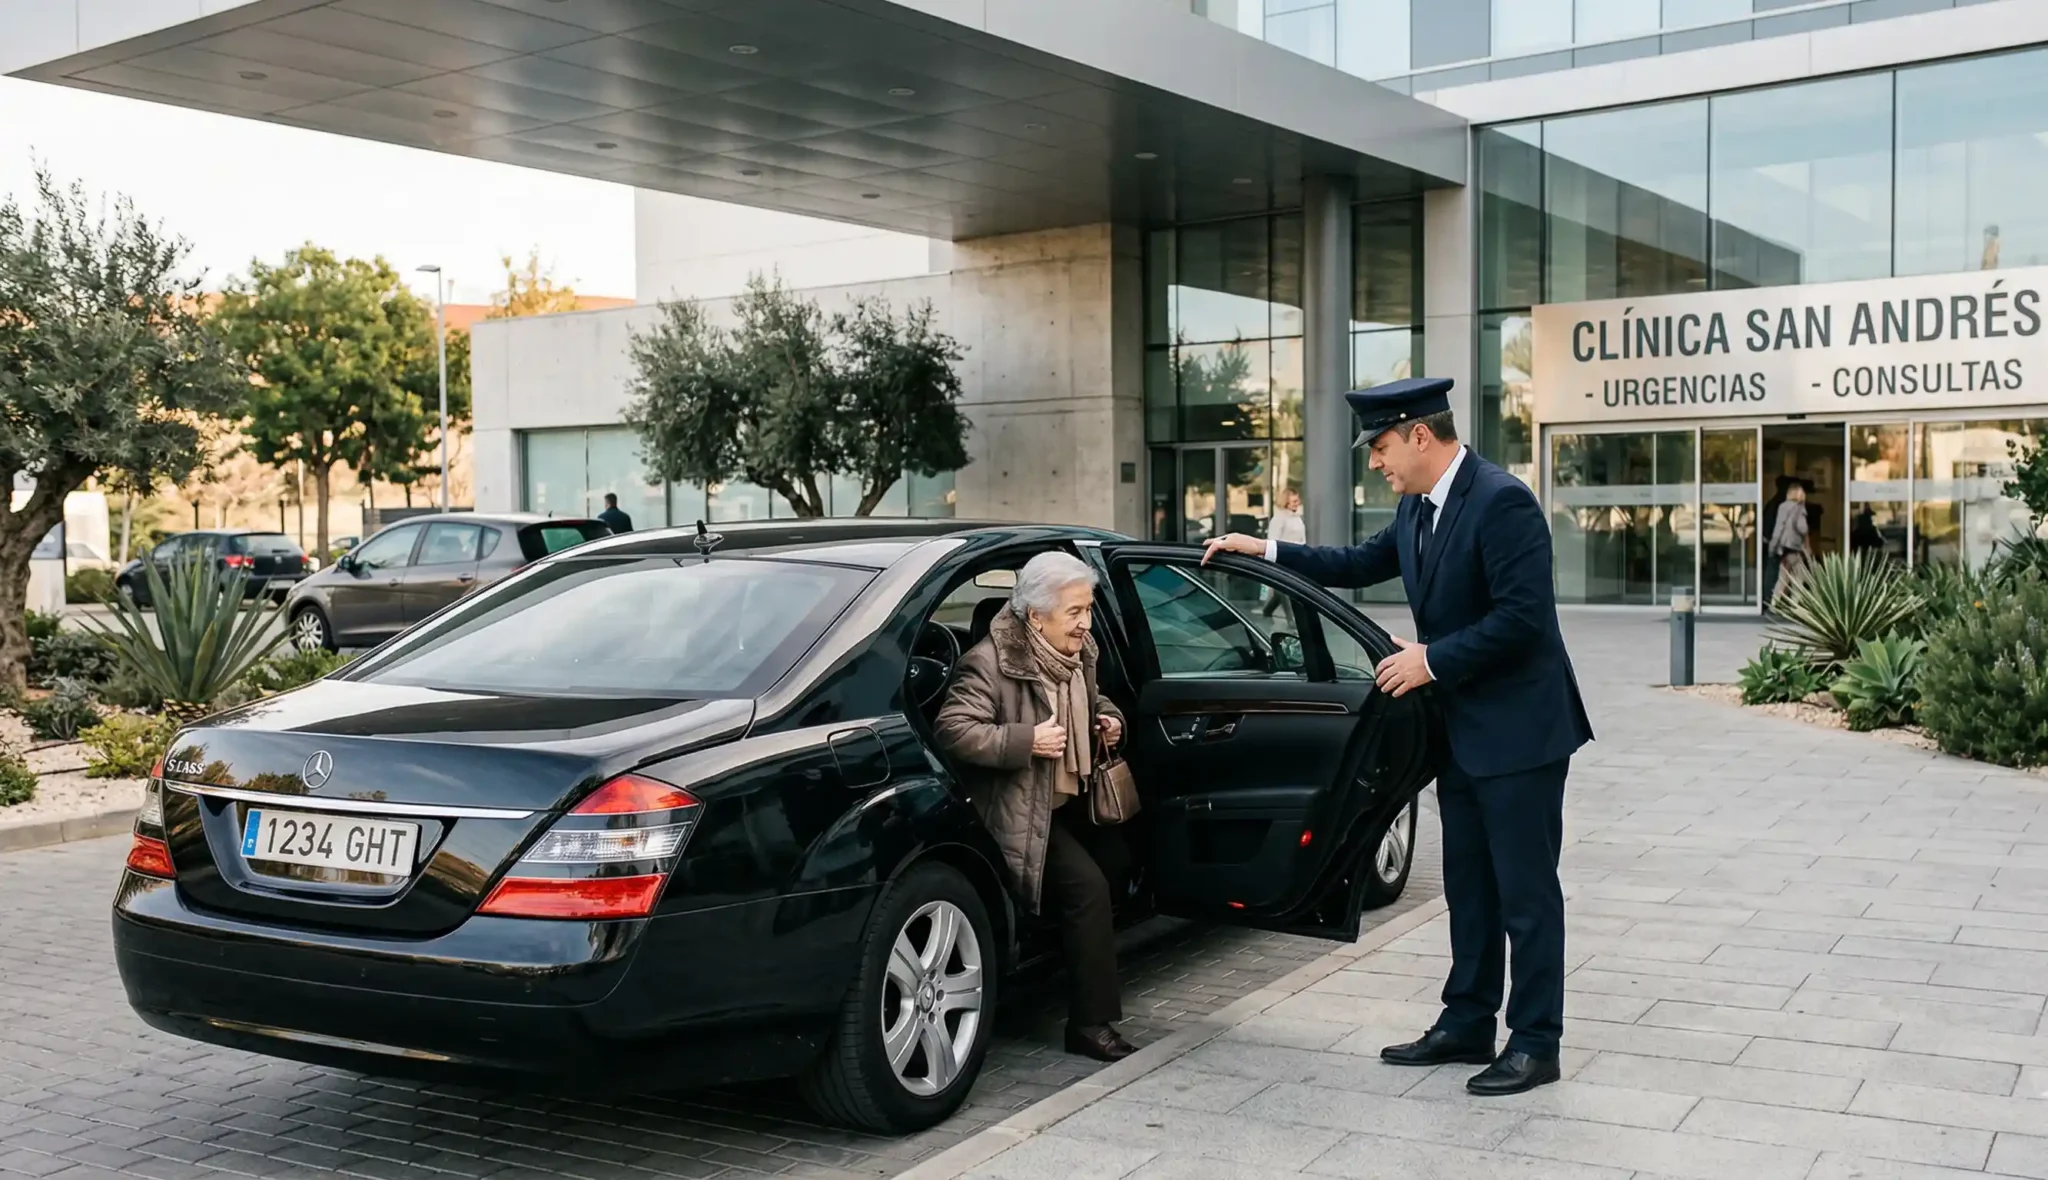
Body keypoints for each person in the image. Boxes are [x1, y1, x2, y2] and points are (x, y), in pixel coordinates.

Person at [1203, 377, 1592, 1097]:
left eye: (1380, 447)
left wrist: (1430, 659)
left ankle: (1537, 1042)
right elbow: (1359, 562)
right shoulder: (1418, 507)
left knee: (1526, 894)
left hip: (1522, 736)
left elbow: (1524, 618)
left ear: (1420, 434)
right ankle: (1468, 1021)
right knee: (1470, 888)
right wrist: (1269, 552)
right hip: (1464, 735)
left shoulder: (1502, 502)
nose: (1375, 462)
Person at [934, 552, 1135, 1062]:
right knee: (1087, 890)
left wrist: (1109, 721)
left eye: (1088, 610)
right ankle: (1090, 1025)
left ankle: (1059, 961)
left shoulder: (1078, 651)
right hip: (1024, 812)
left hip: (1070, 796)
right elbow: (953, 730)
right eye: (1075, 612)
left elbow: (1096, 700)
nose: (1086, 623)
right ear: (1035, 614)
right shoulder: (988, 661)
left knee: (1119, 863)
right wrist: (1026, 741)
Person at [1262, 488, 1307, 618]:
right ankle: (1291, 620)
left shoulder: (1297, 518)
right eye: (1294, 500)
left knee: (1280, 591)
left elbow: (1301, 539)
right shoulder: (1279, 518)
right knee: (1285, 589)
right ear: (1286, 501)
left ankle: (1267, 611)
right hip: (1282, 558)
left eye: (1298, 500)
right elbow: (1273, 539)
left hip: (1296, 557)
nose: (1297, 503)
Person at [1769, 481, 1811, 604]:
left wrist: (1772, 547)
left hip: (1784, 549)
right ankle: (1794, 605)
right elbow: (1802, 528)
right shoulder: (1799, 508)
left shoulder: (1782, 507)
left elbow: (1778, 529)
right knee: (1798, 578)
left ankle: (1774, 603)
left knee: (1783, 578)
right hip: (1794, 549)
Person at [1759, 475, 1795, 606]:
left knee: (1775, 572)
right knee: (1774, 572)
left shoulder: (1774, 502)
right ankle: (1769, 599)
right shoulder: (1781, 503)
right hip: (1775, 543)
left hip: (1771, 542)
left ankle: (1770, 598)